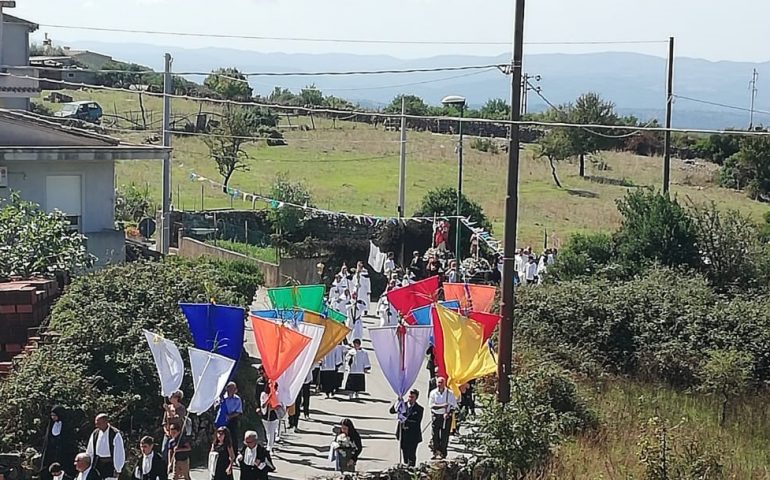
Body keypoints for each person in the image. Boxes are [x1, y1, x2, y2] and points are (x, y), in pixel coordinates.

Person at [389, 389, 424, 468]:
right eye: (409, 396)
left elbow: (417, 421)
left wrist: (405, 419)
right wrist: (398, 402)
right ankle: (405, 466)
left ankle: (411, 468)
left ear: (416, 398)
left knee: (411, 453)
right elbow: (391, 411)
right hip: (403, 434)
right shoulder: (403, 405)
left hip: (413, 435)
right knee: (405, 452)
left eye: (412, 397)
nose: (410, 398)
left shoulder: (419, 409)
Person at [41, 406, 77, 480]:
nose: (53, 417)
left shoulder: (67, 426)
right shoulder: (51, 425)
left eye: (55, 415)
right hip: (51, 455)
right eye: (52, 415)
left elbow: (69, 442)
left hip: (63, 455)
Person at [85, 414, 125, 480]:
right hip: (97, 463)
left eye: (99, 423)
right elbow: (90, 450)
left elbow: (119, 453)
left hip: (110, 464)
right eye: (96, 423)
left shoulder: (115, 434)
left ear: (105, 422)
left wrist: (118, 468)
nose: (96, 426)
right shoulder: (95, 433)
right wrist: (88, 464)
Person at [428, 377, 457, 460]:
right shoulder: (433, 393)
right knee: (435, 435)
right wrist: (442, 406)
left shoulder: (449, 393)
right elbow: (432, 406)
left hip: (445, 417)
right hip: (436, 416)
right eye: (438, 382)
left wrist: (448, 413)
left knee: (444, 436)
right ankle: (435, 451)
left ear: (444, 383)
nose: (439, 384)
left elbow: (454, 406)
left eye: (441, 382)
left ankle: (442, 452)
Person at [216, 383, 243, 450]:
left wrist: (230, 416)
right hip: (222, 420)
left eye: (233, 389)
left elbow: (238, 411)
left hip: (232, 419)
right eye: (230, 388)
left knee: (233, 436)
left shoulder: (237, 399)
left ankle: (234, 452)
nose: (232, 390)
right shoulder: (221, 398)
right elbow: (216, 407)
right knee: (221, 436)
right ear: (226, 389)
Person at [259, 383, 280, 452]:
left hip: (274, 416)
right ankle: (270, 445)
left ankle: (270, 448)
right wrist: (269, 398)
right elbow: (263, 406)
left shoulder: (277, 394)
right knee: (268, 432)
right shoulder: (263, 395)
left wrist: (274, 407)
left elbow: (279, 405)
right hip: (265, 416)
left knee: (271, 432)